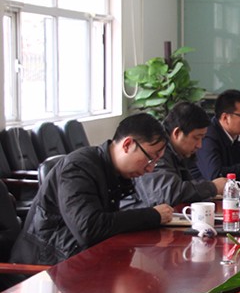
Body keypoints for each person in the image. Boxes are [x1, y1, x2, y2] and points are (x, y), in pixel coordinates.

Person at [10, 113, 174, 265]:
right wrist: (152, 215)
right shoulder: (78, 168)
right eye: (150, 159)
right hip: (47, 266)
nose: (150, 169)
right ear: (127, 145)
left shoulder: (113, 171)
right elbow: (89, 228)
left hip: (77, 258)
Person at [124, 102, 227, 208]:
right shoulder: (157, 151)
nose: (199, 145)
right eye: (196, 138)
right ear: (177, 133)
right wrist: (213, 187)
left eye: (202, 138)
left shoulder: (179, 153)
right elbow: (165, 195)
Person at [192, 89, 240, 180]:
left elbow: (236, 165)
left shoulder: (232, 136)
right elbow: (215, 175)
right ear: (225, 118)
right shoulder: (208, 137)